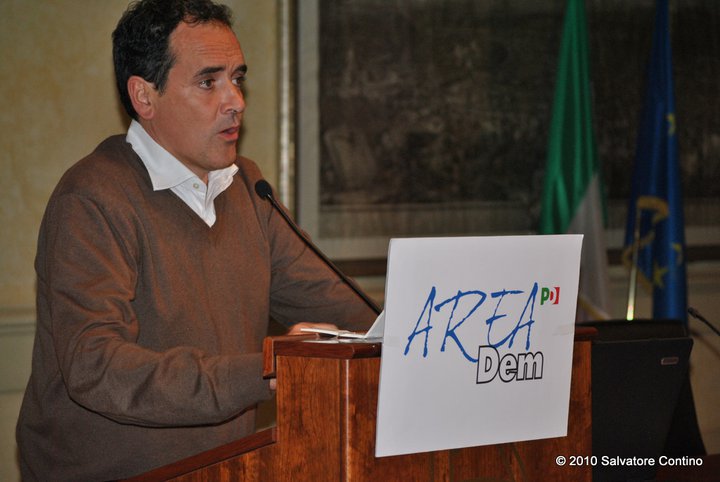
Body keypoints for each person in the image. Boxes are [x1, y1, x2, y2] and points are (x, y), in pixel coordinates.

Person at [15, 1, 376, 480]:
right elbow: (97, 367)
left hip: (230, 468)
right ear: (145, 96)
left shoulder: (247, 188)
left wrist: (414, 335)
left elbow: (337, 304)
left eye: (237, 78)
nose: (236, 101)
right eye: (209, 82)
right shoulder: (92, 198)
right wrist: (265, 370)